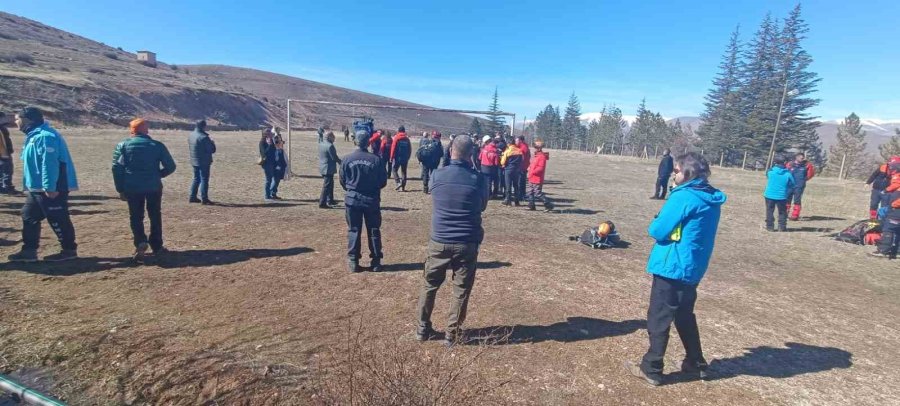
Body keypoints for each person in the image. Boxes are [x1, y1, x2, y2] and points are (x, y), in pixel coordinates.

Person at [624, 152, 726, 386]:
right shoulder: (709, 196)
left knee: (659, 315)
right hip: (692, 266)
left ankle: (652, 367)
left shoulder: (684, 197)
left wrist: (660, 217)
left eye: (677, 170)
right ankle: (696, 362)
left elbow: (658, 230)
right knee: (683, 314)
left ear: (688, 173)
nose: (673, 173)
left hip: (672, 265)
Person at [415, 135, 489, 346]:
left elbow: (434, 193)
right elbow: (482, 205)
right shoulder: (478, 179)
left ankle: (422, 328)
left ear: (449, 151)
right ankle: (452, 333)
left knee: (429, 285)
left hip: (440, 239)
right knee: (461, 289)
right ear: (472, 155)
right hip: (467, 241)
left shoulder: (437, 175)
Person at [8, 107, 80, 262]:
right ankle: (29, 251)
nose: (15, 122)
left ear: (27, 120)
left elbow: (50, 163)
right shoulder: (34, 135)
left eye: (17, 119)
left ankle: (69, 250)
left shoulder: (46, 137)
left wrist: (49, 187)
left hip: (50, 187)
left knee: (58, 218)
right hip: (36, 187)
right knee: (28, 216)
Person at [112, 118, 176, 261]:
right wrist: (157, 175)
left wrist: (120, 188)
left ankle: (140, 241)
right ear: (146, 130)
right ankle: (157, 246)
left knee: (135, 216)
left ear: (132, 130)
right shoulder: (157, 145)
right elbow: (171, 166)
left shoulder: (122, 146)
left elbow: (116, 168)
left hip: (132, 187)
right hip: (153, 186)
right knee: (155, 215)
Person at [340, 127, 388, 272]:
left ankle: (353, 261)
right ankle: (376, 261)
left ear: (355, 141)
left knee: (354, 229)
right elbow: (383, 181)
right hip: (371, 199)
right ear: (368, 142)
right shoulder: (376, 160)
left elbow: (343, 181)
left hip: (352, 199)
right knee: (374, 230)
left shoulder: (347, 159)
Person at [763, 154, 796, 232]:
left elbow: (767, 175)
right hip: (782, 196)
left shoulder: (770, 171)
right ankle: (782, 227)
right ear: (785, 162)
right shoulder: (788, 174)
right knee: (782, 212)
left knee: (769, 211)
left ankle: (769, 227)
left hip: (769, 195)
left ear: (775, 162)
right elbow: (792, 184)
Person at [188, 119, 216, 205]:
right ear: (203, 126)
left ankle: (192, 196)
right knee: (204, 179)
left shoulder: (191, 135)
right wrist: (212, 143)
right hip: (203, 161)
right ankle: (204, 198)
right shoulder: (204, 137)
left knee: (196, 178)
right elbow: (211, 150)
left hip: (194, 160)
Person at [526, 140, 554, 212]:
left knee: (537, 193)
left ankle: (548, 205)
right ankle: (531, 205)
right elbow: (533, 165)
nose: (533, 149)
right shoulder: (536, 156)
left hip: (537, 178)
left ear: (539, 148)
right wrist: (529, 168)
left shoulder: (541, 157)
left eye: (535, 147)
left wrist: (532, 172)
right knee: (530, 192)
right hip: (531, 177)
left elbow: (540, 168)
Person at [785, 153, 815, 220]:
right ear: (797, 157)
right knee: (787, 199)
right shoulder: (790, 164)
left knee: (797, 200)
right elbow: (785, 172)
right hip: (789, 185)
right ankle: (784, 214)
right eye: (801, 158)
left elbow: (811, 174)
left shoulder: (807, 165)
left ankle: (795, 215)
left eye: (803, 158)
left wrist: (804, 180)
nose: (803, 159)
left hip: (799, 185)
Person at [318, 131, 341, 208]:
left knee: (330, 184)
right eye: (333, 136)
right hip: (328, 168)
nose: (334, 138)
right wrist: (342, 163)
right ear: (330, 137)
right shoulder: (330, 146)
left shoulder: (321, 144)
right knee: (327, 186)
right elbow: (334, 157)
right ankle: (322, 202)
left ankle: (330, 200)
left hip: (323, 167)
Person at [500, 137, 523, 206]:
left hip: (509, 170)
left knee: (508, 185)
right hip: (517, 170)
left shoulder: (507, 151)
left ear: (508, 143)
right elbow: (522, 160)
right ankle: (517, 201)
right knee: (516, 185)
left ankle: (508, 200)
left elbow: (502, 162)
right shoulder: (519, 150)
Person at [0, 111, 18, 194]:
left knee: (8, 170)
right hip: (2, 154)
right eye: (3, 118)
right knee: (3, 170)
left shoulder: (3, 128)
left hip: (7, 152)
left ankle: (8, 186)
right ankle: (2, 187)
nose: (5, 119)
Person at [390, 126, 412, 191]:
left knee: (394, 170)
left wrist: (391, 157)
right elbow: (409, 149)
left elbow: (393, 148)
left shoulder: (396, 138)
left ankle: (398, 182)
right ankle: (403, 187)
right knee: (404, 172)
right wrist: (408, 157)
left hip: (397, 157)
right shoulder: (407, 139)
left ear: (398, 131)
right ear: (404, 131)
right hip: (405, 158)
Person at [259, 128, 278, 201]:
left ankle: (272, 193)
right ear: (265, 134)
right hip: (267, 163)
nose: (270, 134)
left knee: (276, 178)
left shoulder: (271, 141)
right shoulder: (262, 142)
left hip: (273, 162)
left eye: (270, 133)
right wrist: (269, 145)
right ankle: (267, 195)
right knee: (268, 179)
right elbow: (264, 154)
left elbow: (274, 150)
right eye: (269, 133)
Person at [516, 136, 531, 202]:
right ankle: (523, 195)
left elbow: (521, 158)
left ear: (520, 141)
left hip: (521, 167)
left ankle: (520, 196)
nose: (516, 142)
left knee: (520, 182)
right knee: (523, 182)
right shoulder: (525, 146)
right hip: (524, 166)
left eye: (517, 141)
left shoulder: (522, 148)